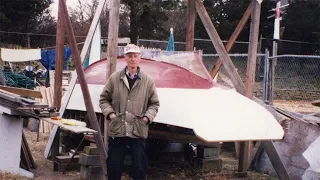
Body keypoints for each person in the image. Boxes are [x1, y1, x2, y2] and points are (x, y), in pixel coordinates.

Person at [99, 44, 160, 180]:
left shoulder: (148, 81)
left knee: (139, 168)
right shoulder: (115, 78)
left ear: (139, 58)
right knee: (114, 167)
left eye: (135, 56)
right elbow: (104, 99)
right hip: (118, 129)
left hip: (138, 129)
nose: (132, 59)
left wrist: (146, 118)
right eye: (129, 56)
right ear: (125, 58)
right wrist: (111, 115)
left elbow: (154, 104)